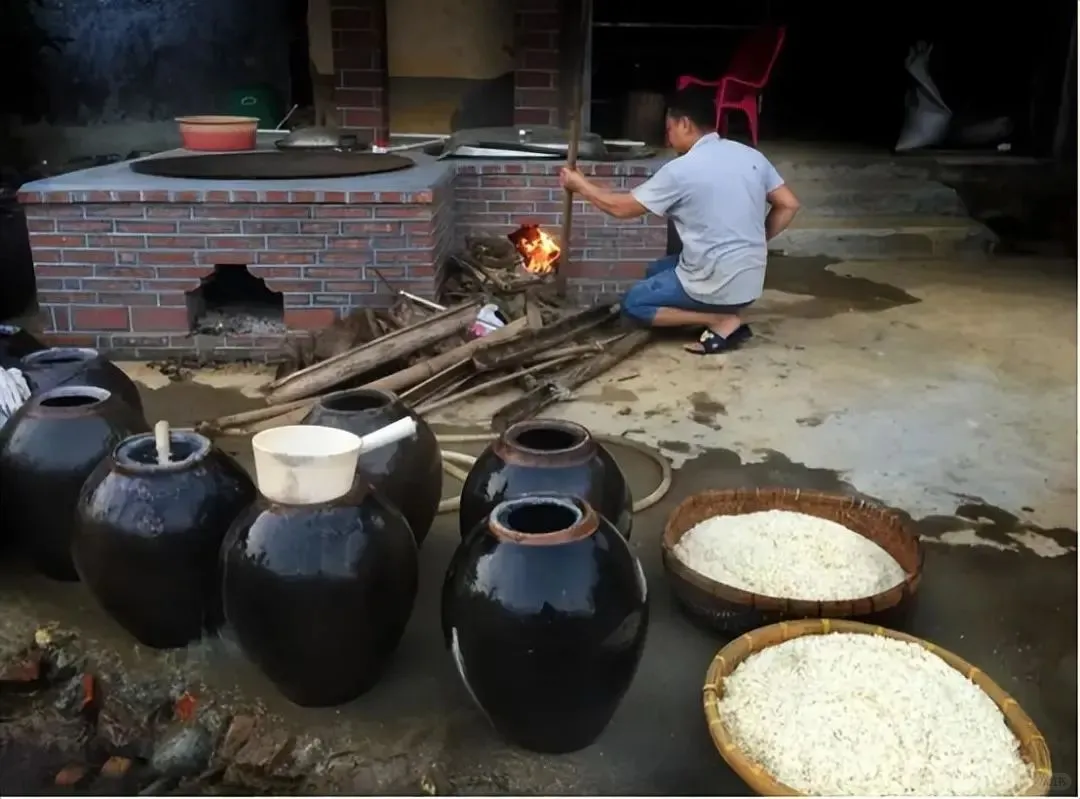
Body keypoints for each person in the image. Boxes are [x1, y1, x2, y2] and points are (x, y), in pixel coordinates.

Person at [558, 88, 801, 354]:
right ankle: (718, 308)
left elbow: (621, 209)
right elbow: (789, 204)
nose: (668, 137)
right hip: (750, 284)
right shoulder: (750, 156)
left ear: (685, 123)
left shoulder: (682, 169)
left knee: (634, 304)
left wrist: (580, 185)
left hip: (717, 281)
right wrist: (755, 240)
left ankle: (718, 319)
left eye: (669, 129)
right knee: (657, 270)